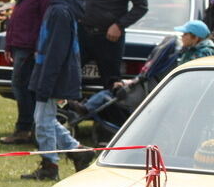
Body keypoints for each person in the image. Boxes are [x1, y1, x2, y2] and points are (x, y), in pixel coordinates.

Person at [21, 0, 95, 181]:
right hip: (49, 74)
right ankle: (78, 151)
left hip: (54, 76)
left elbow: (56, 52)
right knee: (45, 119)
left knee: (43, 121)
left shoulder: (60, 12)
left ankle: (50, 166)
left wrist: (46, 84)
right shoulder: (57, 8)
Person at [72, 20, 214, 118]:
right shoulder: (190, 50)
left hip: (191, 97)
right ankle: (87, 106)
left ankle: (86, 108)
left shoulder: (201, 54)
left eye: (185, 34)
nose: (182, 37)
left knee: (108, 95)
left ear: (195, 38)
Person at [0, 0, 52, 145]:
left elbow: (43, 18)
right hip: (20, 42)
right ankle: (27, 127)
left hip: (31, 45)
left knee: (22, 87)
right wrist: (9, 43)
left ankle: (26, 128)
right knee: (20, 86)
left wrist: (38, 46)